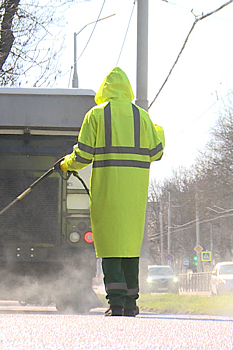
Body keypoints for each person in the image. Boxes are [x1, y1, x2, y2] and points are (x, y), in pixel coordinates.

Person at [57, 67, 164, 317]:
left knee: (110, 248)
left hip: (107, 191)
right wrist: (157, 130)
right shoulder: (142, 117)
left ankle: (116, 303)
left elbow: (82, 155)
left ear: (105, 90)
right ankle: (131, 303)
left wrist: (66, 164)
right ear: (127, 89)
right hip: (135, 195)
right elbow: (157, 152)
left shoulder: (96, 115)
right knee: (130, 248)